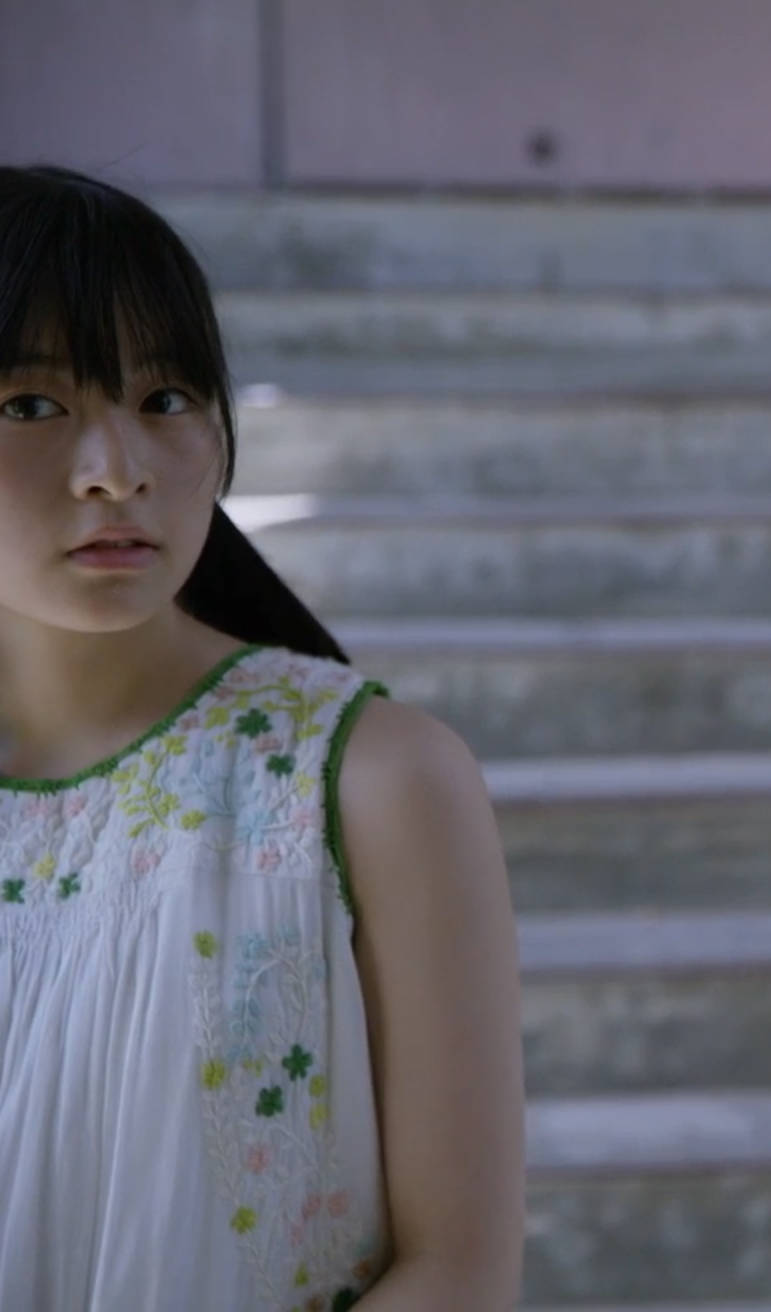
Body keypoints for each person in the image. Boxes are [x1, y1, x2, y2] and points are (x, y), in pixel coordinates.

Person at [0, 166, 523, 1309]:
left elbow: (459, 1271)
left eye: (165, 398)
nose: (117, 470)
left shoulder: (374, 782)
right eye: (31, 406)